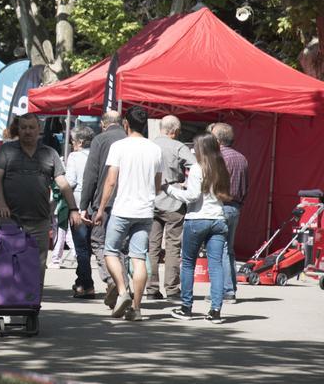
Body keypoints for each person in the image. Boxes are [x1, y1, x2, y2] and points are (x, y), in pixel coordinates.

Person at [0, 113, 82, 288]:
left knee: (37, 266)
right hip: (11, 217)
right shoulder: (7, 150)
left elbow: (62, 183)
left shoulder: (49, 153)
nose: (27, 131)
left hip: (40, 219)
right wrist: (1, 203)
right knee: (10, 261)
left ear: (39, 130)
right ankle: (9, 300)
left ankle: (32, 307)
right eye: (23, 127)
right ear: (18, 129)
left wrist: (73, 208)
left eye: (31, 127)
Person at [93, 106, 162, 322]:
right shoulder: (154, 149)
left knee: (110, 251)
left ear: (126, 124)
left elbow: (111, 180)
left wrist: (101, 208)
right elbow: (158, 185)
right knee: (138, 257)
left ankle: (123, 291)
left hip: (123, 209)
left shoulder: (119, 146)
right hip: (145, 210)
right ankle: (137, 308)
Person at [166, 132, 231, 324]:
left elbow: (192, 196)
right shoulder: (221, 168)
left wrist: (169, 190)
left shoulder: (196, 168)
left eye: (195, 147)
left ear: (202, 149)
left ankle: (186, 307)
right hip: (218, 219)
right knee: (216, 266)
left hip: (197, 219)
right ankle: (216, 311)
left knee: (187, 263)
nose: (193, 150)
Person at [78, 110, 127, 308]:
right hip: (129, 201)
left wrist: (84, 205)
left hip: (104, 202)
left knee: (99, 243)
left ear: (103, 124)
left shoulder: (100, 140)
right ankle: (123, 285)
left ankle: (112, 280)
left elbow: (91, 174)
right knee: (121, 247)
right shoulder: (130, 139)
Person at [147, 115, 196, 301]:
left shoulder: (149, 145)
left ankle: (151, 289)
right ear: (174, 131)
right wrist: (186, 183)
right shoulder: (178, 146)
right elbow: (196, 165)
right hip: (174, 199)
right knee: (173, 246)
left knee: (152, 246)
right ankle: (172, 289)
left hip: (151, 200)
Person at [211, 122, 248, 304]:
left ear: (217, 139)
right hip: (235, 207)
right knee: (229, 250)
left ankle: (227, 291)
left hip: (220, 206)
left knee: (221, 250)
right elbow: (246, 185)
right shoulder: (242, 158)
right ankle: (230, 288)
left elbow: (212, 184)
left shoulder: (217, 157)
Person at [66, 124, 95, 297]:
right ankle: (81, 280)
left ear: (80, 141)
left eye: (73, 141)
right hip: (96, 205)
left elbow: (70, 182)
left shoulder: (75, 157)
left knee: (81, 248)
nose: (71, 143)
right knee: (92, 247)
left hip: (77, 205)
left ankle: (87, 284)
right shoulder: (97, 155)